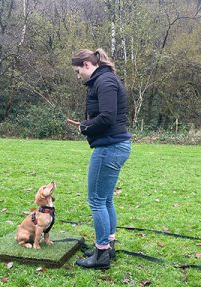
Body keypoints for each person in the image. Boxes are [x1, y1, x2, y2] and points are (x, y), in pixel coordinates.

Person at [67, 48, 131, 269]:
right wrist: (85, 125)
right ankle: (107, 247)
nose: (78, 76)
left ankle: (101, 254)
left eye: (77, 71)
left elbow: (106, 117)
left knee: (96, 200)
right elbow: (104, 117)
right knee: (105, 200)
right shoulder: (104, 80)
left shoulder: (104, 82)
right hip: (115, 145)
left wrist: (84, 126)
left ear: (86, 64)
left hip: (109, 148)